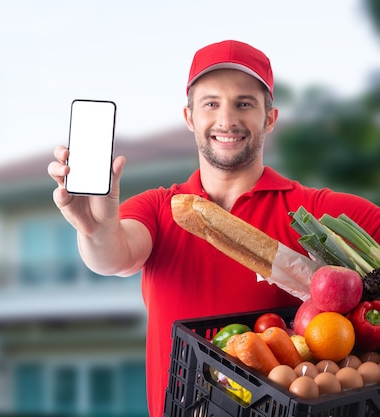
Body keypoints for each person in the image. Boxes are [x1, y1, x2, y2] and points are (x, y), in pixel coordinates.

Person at [47, 39, 380, 417]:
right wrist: (94, 228)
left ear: (269, 118)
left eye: (244, 103)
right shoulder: (160, 207)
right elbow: (113, 256)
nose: (227, 120)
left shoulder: (314, 213)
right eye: (211, 103)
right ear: (189, 117)